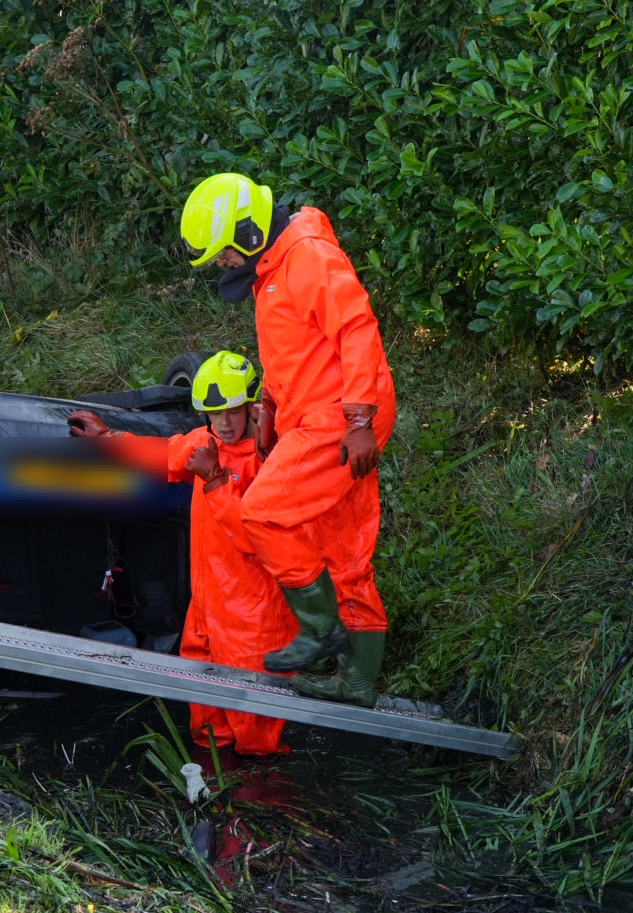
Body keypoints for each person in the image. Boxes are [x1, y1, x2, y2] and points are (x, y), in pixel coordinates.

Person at [180, 173, 396, 707]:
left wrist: (360, 419)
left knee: (263, 513)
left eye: (224, 254)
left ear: (249, 232)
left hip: (340, 416)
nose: (223, 264)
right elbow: (291, 356)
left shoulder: (306, 257)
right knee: (345, 554)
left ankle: (321, 632)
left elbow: (358, 328)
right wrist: (271, 413)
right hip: (324, 416)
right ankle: (359, 682)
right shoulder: (274, 271)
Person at [68, 351, 298, 754]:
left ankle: (262, 798)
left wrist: (214, 480)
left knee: (256, 727)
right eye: (213, 414)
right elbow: (162, 453)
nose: (223, 424)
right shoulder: (204, 442)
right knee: (207, 719)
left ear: (251, 407)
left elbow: (255, 536)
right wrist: (108, 438)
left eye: (231, 412)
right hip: (208, 606)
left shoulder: (273, 462)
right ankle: (213, 780)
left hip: (255, 615)